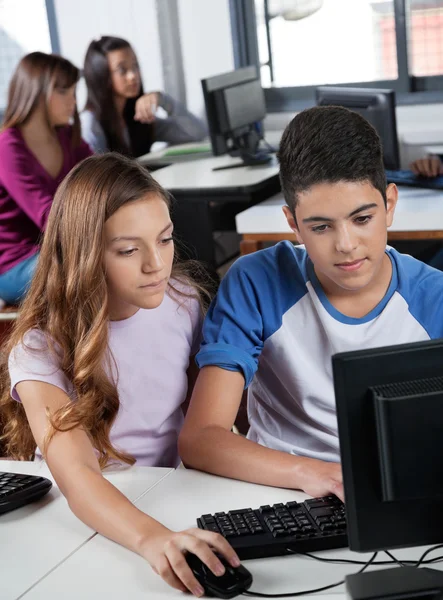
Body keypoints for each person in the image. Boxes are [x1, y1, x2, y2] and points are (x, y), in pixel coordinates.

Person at [0, 154, 239, 596]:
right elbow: (78, 475)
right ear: (84, 253)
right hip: (84, 514)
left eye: (165, 240)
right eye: (129, 250)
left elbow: (206, 421)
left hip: (168, 496)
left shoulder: (184, 301)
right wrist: (152, 537)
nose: (156, 264)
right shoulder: (40, 346)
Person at [178, 105, 443, 502]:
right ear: (292, 223)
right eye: (321, 227)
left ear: (389, 204)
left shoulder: (434, 297)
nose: (346, 244)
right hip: (274, 488)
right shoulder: (256, 281)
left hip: (394, 494)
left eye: (362, 219)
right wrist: (317, 474)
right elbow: (200, 438)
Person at [0, 52, 92, 306]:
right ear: (38, 94)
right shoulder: (8, 147)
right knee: (93, 270)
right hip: (15, 263)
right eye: (65, 92)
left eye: (74, 92)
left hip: (63, 249)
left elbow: (102, 176)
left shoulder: (68, 137)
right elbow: (47, 216)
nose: (73, 101)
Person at [81, 36, 207, 156]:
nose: (133, 75)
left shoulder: (136, 117)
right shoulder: (90, 124)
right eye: (122, 70)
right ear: (101, 75)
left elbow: (198, 133)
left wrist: (163, 100)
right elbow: (95, 176)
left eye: (135, 65)